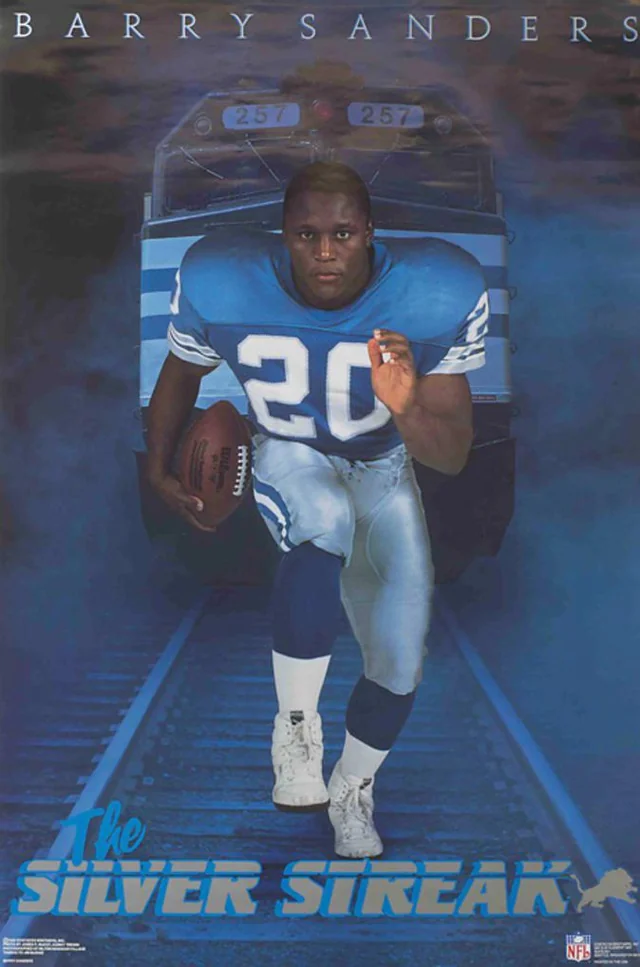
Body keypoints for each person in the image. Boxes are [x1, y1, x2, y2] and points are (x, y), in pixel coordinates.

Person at [147, 161, 488, 858]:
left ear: (370, 232)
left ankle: (352, 788)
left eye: (341, 233)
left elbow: (450, 454)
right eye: (307, 234)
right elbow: (181, 371)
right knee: (324, 518)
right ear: (284, 234)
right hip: (286, 448)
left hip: (385, 466)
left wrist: (405, 404)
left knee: (398, 658)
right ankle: (296, 730)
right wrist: (156, 467)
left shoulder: (438, 289)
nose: (325, 251)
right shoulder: (221, 274)